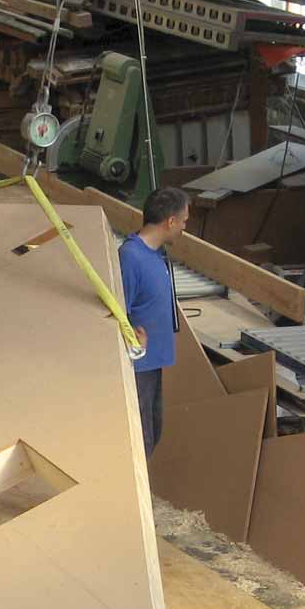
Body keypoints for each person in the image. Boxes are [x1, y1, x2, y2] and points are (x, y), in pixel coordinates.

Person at [118, 186, 190, 459]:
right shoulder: (130, 257)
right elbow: (117, 311)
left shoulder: (156, 255)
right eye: (183, 221)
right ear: (170, 221)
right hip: (138, 366)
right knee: (141, 440)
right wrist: (132, 342)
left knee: (153, 431)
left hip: (153, 363)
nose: (184, 228)